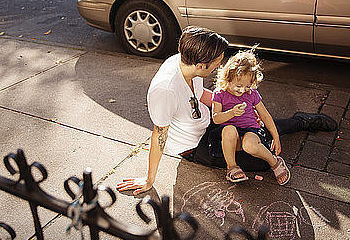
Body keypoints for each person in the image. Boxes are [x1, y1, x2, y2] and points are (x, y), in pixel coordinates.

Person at [116, 26, 337, 196]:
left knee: (254, 129)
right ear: (201, 64)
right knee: (261, 161)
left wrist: (235, 109)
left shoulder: (184, 62)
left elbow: (200, 95)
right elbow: (159, 135)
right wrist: (149, 180)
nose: (219, 67)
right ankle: (288, 127)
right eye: (217, 63)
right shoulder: (165, 90)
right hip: (194, 145)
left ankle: (301, 122)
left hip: (212, 120)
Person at [209, 48, 290, 185]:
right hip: (231, 138)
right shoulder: (219, 93)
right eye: (239, 86)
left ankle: (274, 162)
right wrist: (232, 113)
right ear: (228, 78)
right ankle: (232, 167)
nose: (242, 90)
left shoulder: (251, 94)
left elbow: (265, 115)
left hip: (250, 130)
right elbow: (216, 118)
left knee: (250, 146)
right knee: (229, 130)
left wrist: (275, 137)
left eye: (247, 86)